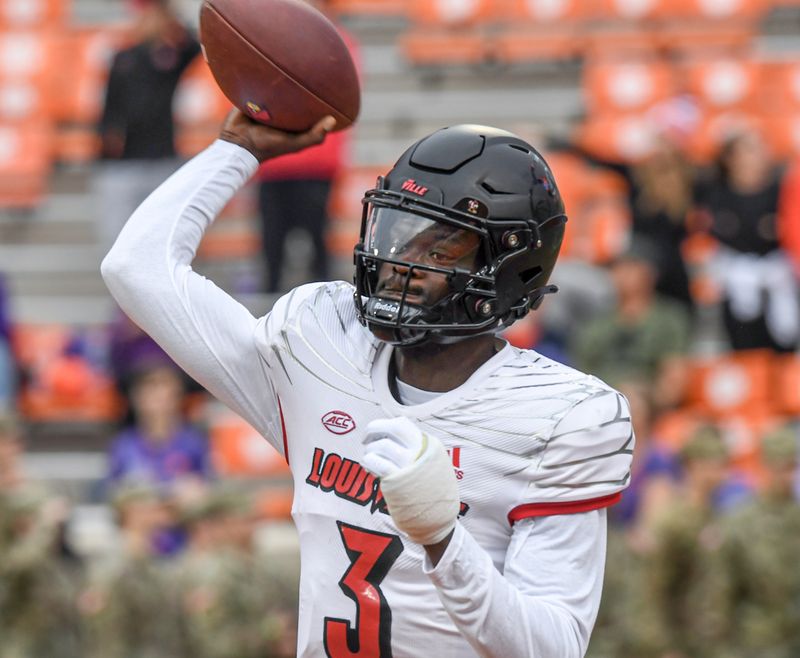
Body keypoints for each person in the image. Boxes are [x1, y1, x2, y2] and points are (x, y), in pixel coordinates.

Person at [102, 113, 634, 657]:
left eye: (441, 250)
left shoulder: (559, 418)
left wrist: (444, 542)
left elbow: (552, 649)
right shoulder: (321, 345)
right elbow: (135, 267)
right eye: (397, 234)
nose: (401, 264)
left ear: (510, 269)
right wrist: (237, 151)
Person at [255, 0, 358, 293]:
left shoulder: (339, 45)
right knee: (271, 248)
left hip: (315, 161)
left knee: (317, 244)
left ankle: (325, 314)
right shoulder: (276, 42)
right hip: (276, 162)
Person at [95, 0, 200, 252]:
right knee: (118, 244)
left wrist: (170, 14)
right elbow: (109, 109)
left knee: (160, 242)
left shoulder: (168, 59)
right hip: (122, 163)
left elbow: (196, 45)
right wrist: (108, 137)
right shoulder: (122, 58)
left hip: (160, 158)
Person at [693, 126, 799, 352]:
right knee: (744, 342)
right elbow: (709, 235)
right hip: (735, 277)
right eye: (749, 150)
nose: (758, 155)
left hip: (778, 273)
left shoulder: (781, 189)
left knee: (784, 342)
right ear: (730, 158)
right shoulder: (715, 194)